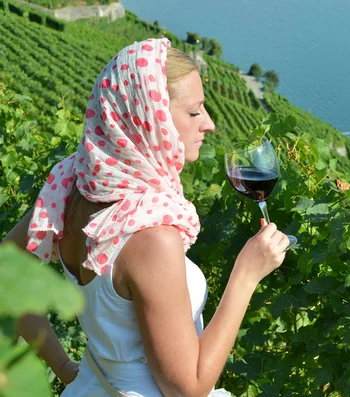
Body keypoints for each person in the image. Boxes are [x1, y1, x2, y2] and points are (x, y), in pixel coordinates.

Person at [2, 38, 289, 396]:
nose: (210, 124)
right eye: (195, 111)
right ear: (153, 119)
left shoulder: (70, 186)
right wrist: (247, 273)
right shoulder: (152, 237)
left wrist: (66, 369)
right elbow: (188, 389)